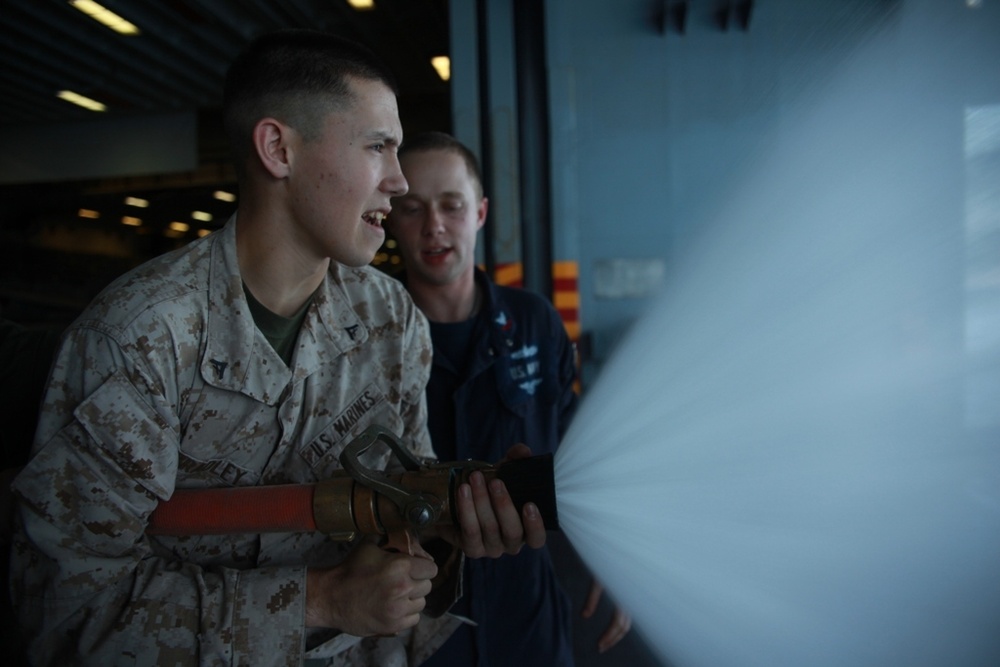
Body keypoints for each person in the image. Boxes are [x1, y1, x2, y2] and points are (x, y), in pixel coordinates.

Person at [9, 31, 545, 667]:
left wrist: (454, 521)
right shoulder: (140, 339)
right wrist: (319, 601)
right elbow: (66, 612)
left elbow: (403, 505)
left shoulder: (390, 315)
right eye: (378, 148)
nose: (398, 182)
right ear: (278, 149)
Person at [386, 131, 631, 666]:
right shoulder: (368, 340)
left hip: (528, 617)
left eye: (451, 205)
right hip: (416, 625)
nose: (434, 225)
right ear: (389, 219)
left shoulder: (534, 323)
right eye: (411, 208)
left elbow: (578, 456)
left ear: (480, 212)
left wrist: (616, 558)